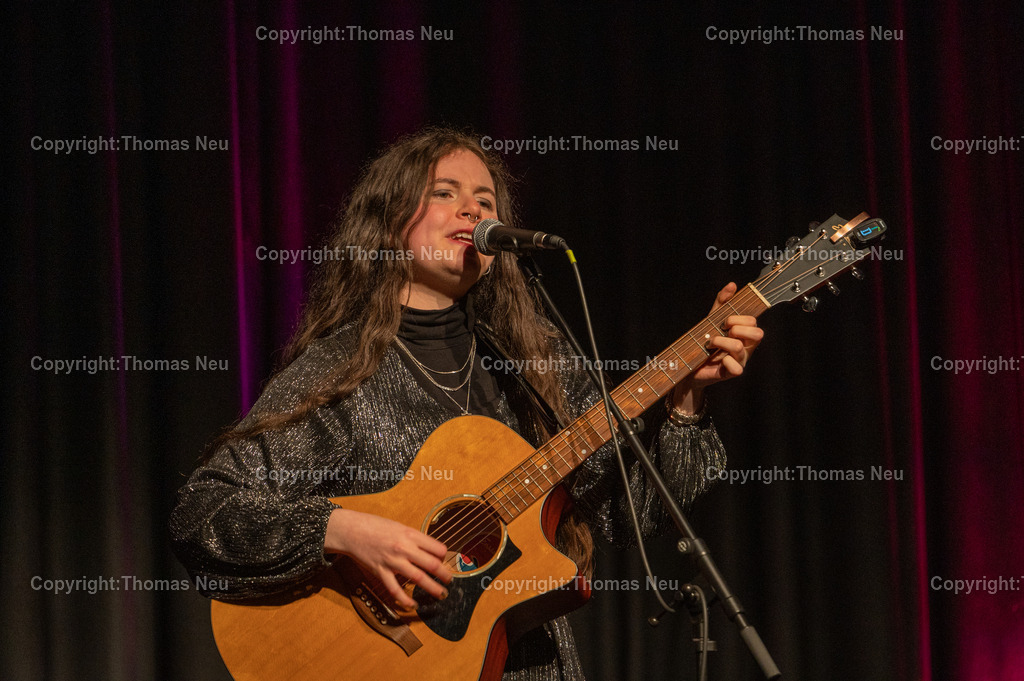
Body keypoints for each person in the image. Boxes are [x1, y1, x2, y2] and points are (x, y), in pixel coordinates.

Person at [170, 127, 763, 680]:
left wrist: (687, 397)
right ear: (389, 220)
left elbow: (632, 515)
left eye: (485, 200)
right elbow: (205, 512)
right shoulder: (344, 367)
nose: (473, 210)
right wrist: (345, 530)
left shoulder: (533, 363)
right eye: (445, 193)